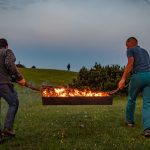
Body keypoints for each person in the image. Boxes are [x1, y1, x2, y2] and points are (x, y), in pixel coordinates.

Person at [118, 37, 150, 137]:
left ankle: (129, 121)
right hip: (149, 76)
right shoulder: (145, 51)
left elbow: (130, 63)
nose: (126, 47)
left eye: (126, 45)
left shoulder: (130, 50)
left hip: (138, 76)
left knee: (131, 98)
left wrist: (123, 79)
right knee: (148, 103)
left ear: (131, 43)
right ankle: (147, 129)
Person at [0, 38, 26, 138]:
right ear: (6, 45)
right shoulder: (7, 51)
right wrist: (20, 78)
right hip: (3, 84)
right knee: (14, 103)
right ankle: (7, 129)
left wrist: (13, 78)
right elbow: (9, 64)